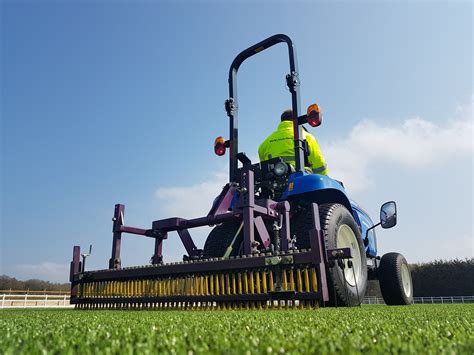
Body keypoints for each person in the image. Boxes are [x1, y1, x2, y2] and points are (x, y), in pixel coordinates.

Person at [258, 109, 328, 175]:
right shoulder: (306, 136)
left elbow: (264, 170)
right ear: (296, 119)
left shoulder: (264, 144)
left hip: (275, 185)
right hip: (302, 181)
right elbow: (319, 166)